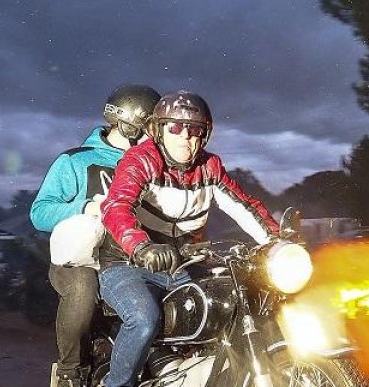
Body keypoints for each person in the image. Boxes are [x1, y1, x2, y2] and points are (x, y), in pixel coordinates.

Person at [97, 90, 280, 387]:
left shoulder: (210, 167)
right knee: (144, 319)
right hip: (127, 264)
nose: (186, 136)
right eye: (175, 127)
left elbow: (245, 206)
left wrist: (276, 241)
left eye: (195, 129)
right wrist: (140, 246)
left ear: (204, 135)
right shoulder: (140, 159)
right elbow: (117, 206)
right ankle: (116, 384)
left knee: (224, 310)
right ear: (158, 130)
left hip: (181, 265)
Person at [30, 84, 162, 387]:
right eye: (151, 129)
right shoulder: (76, 161)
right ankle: (69, 372)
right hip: (82, 260)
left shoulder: (154, 167)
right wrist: (86, 206)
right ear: (129, 124)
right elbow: (39, 212)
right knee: (82, 288)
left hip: (131, 259)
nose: (157, 138)